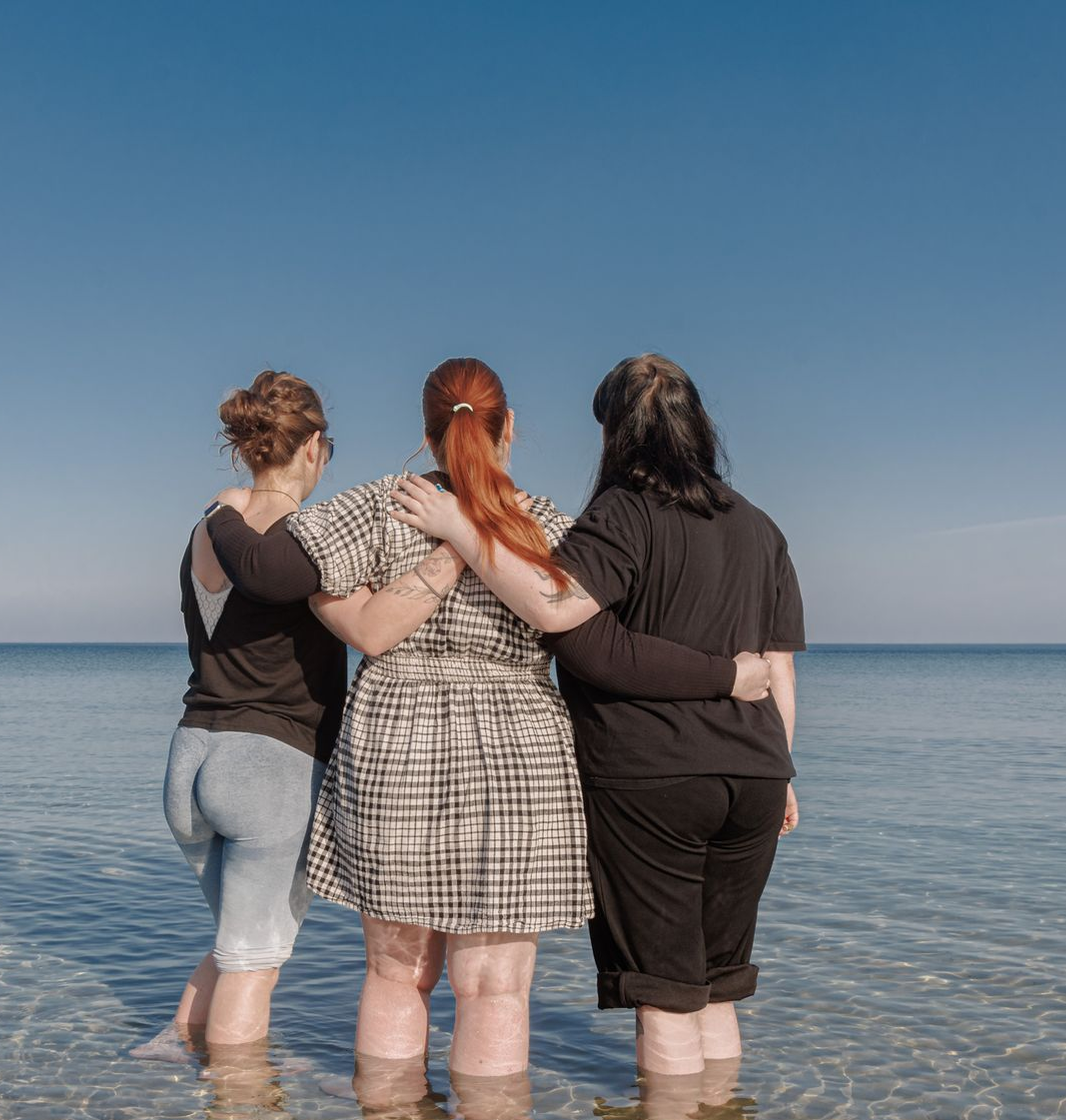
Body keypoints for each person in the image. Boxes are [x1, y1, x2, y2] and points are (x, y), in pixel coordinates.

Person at [206, 357, 774, 1077]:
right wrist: (730, 680)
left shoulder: (381, 503)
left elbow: (276, 570)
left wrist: (250, 533)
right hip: (520, 752)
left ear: (428, 434)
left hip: (395, 743)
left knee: (395, 975)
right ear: (509, 430)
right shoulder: (553, 526)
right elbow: (611, 643)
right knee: (496, 989)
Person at [391, 353, 805, 1076]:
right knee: (717, 989)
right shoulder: (762, 527)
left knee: (666, 995)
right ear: (698, 424)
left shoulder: (623, 512)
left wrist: (459, 527)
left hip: (653, 779)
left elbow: (559, 611)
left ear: (615, 432)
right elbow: (779, 669)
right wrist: (784, 771)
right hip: (758, 775)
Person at [159, 369, 469, 1049]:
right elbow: (373, 626)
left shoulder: (210, 528)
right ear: (313, 446)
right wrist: (460, 548)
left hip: (191, 756)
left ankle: (172, 1052)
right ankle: (240, 1095)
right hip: (268, 764)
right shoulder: (307, 540)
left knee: (237, 940)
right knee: (255, 959)